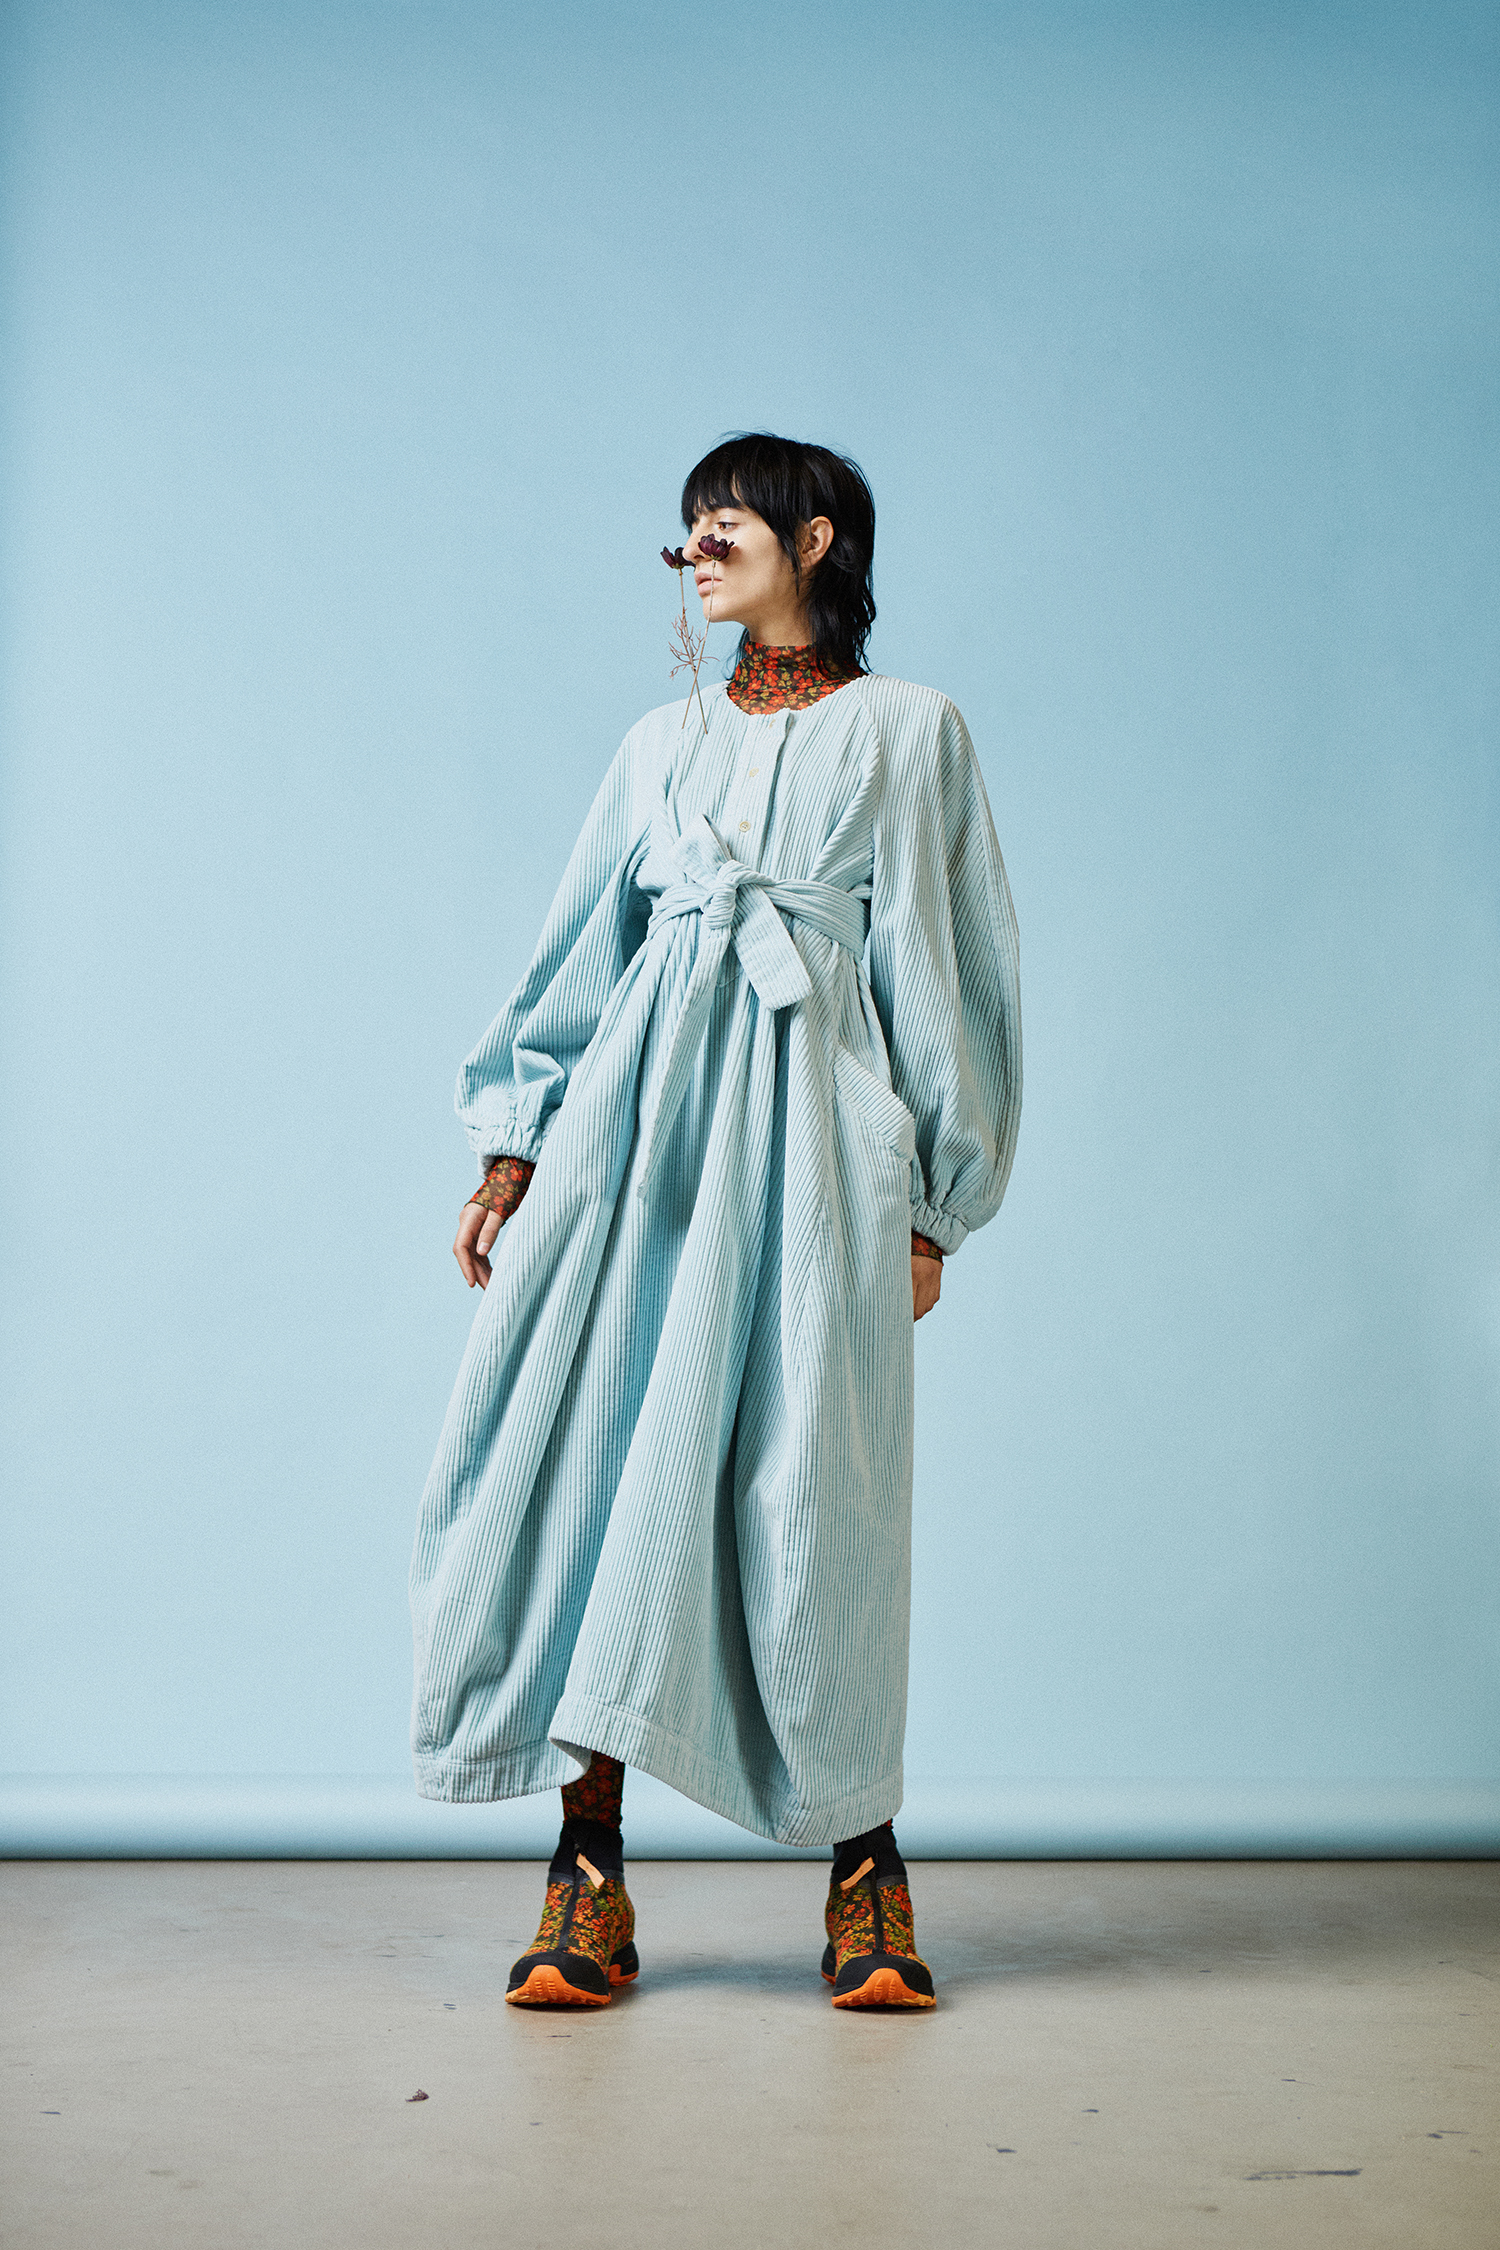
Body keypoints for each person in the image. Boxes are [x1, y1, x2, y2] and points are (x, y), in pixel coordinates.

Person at [409, 432, 1022, 2011]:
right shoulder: (657, 743)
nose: (697, 549)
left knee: (818, 1489)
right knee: (593, 1469)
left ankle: (867, 1874)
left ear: (814, 540)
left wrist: (934, 1203)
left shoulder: (912, 731)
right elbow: (580, 949)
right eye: (686, 528)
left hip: (815, 1138)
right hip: (638, 1146)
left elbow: (947, 972)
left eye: (726, 521)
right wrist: (511, 1152)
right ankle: (587, 1871)